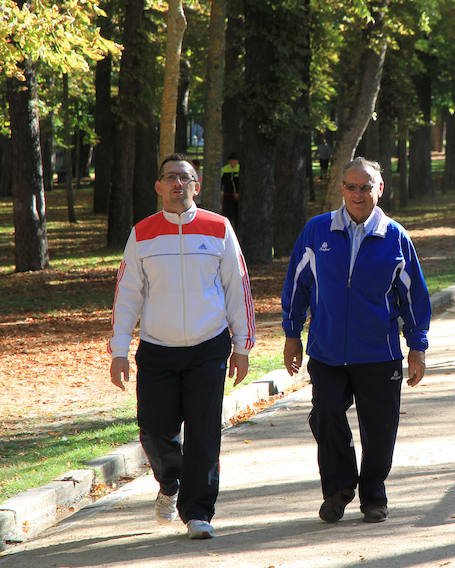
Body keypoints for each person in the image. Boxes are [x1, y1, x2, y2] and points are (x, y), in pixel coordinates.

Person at [109, 153, 256, 540]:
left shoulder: (218, 227)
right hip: (158, 348)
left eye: (185, 178)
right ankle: (170, 481)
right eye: (170, 178)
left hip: (208, 347)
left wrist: (242, 346)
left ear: (197, 184)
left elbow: (237, 288)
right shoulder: (142, 233)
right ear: (158, 187)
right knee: (155, 431)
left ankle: (198, 511)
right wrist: (119, 349)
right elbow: (127, 294)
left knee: (204, 432)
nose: (178, 184)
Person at [281, 157, 431, 524]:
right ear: (341, 189)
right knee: (326, 415)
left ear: (380, 189)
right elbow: (296, 285)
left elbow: (413, 296)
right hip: (327, 350)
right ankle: (338, 489)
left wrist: (417, 345)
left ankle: (373, 495)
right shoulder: (317, 232)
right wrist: (292, 334)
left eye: (367, 187)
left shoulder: (395, 236)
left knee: (380, 429)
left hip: (377, 353)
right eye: (351, 186)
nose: (358, 194)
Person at [220, 153, 240, 232]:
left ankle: (238, 230)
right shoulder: (224, 170)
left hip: (239, 196)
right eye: (231, 162)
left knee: (238, 215)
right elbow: (221, 183)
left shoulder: (240, 169)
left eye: (235, 162)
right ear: (229, 162)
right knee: (228, 214)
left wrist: (238, 193)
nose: (233, 164)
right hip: (228, 196)